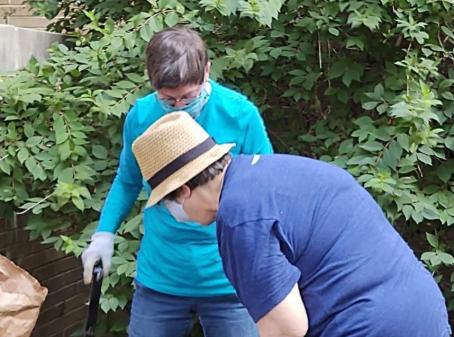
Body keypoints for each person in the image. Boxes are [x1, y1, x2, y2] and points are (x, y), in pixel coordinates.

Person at [131, 111, 452, 337]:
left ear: (184, 191)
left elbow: (286, 328)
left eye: (167, 202)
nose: (171, 211)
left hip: (368, 326)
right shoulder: (280, 173)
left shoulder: (240, 217)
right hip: (423, 312)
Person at [81, 26, 272, 337]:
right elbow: (128, 181)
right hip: (162, 276)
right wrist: (104, 233)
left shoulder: (239, 114)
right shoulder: (142, 116)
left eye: (188, 96)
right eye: (168, 99)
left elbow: (266, 186)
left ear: (207, 70)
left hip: (230, 277)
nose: (180, 106)